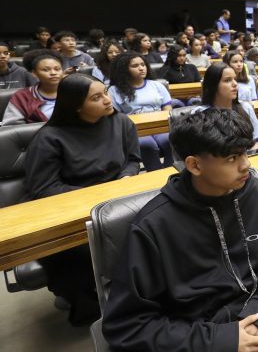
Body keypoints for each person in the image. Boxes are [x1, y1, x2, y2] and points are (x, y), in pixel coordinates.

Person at [103, 109, 258, 351]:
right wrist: (221, 339)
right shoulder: (153, 226)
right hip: (194, 340)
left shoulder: (255, 193)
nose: (246, 164)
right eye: (232, 158)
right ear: (194, 165)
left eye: (245, 153)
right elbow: (126, 326)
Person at [25, 73, 141, 326]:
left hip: (117, 201)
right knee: (79, 256)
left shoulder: (121, 122)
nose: (107, 101)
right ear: (76, 105)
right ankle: (94, 309)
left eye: (106, 93)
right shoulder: (50, 138)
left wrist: (126, 177)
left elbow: (132, 160)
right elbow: (43, 189)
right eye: (96, 98)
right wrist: (99, 195)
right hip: (71, 209)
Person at [108, 52, 175, 171]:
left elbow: (167, 109)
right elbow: (115, 117)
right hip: (134, 130)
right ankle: (155, 174)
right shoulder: (114, 90)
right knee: (147, 145)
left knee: (170, 139)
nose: (141, 68)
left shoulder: (157, 85)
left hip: (159, 126)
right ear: (124, 69)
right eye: (135, 66)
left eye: (143, 64)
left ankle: (172, 171)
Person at [196, 63, 258, 144]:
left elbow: (255, 142)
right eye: (227, 80)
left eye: (235, 79)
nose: (235, 84)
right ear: (213, 85)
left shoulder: (246, 107)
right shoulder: (200, 113)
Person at [3, 50, 62, 125]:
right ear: (34, 73)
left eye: (57, 69)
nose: (53, 73)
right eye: (46, 70)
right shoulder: (22, 96)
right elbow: (13, 128)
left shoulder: (73, 91)